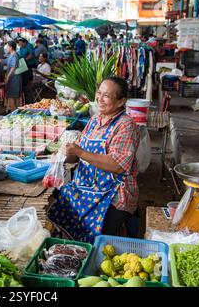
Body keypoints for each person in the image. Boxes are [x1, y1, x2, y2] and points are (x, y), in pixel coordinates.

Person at [47, 76, 140, 243]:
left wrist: (80, 152)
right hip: (86, 188)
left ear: (120, 102)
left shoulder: (126, 125)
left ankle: (91, 257)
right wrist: (65, 154)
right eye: (99, 93)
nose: (100, 98)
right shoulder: (95, 120)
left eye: (106, 95)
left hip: (114, 194)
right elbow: (77, 153)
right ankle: (73, 251)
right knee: (58, 206)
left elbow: (118, 165)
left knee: (96, 234)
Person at [0, 41, 22, 113]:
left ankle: (15, 114)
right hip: (12, 78)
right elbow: (5, 61)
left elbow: (13, 67)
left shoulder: (15, 55)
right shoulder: (11, 55)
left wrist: (8, 77)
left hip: (14, 79)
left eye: (7, 46)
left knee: (12, 97)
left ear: (11, 47)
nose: (6, 48)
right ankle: (17, 114)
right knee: (14, 97)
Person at [18, 38, 38, 104]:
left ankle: (30, 100)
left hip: (30, 65)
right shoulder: (21, 48)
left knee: (28, 82)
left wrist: (25, 60)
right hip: (23, 65)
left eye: (21, 44)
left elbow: (31, 55)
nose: (20, 45)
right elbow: (20, 55)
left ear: (25, 42)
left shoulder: (29, 46)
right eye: (19, 44)